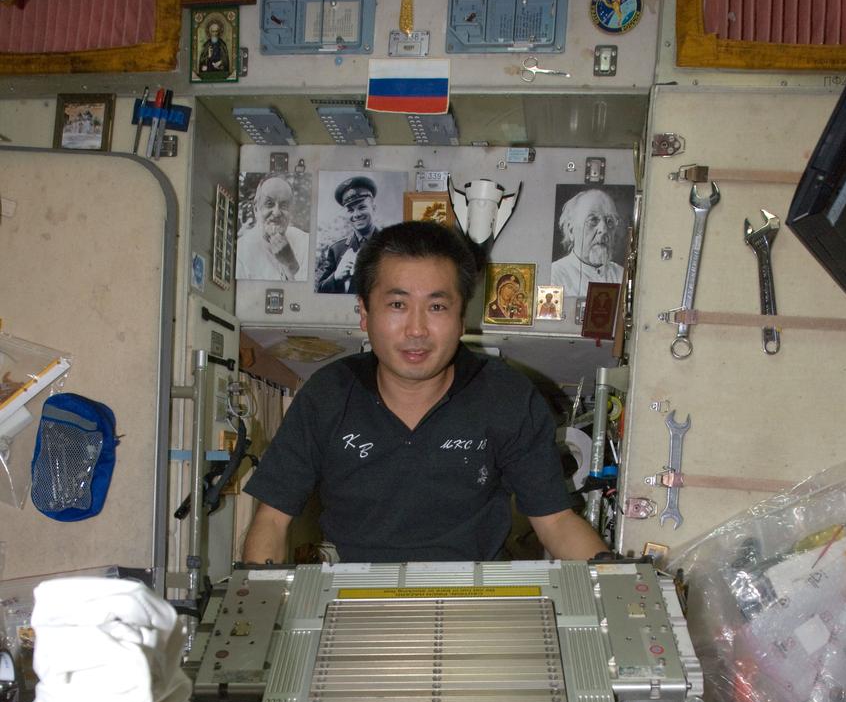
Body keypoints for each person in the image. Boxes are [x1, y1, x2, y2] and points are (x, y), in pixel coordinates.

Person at [242, 221, 605, 565]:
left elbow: (556, 522)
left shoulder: (507, 396)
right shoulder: (329, 395)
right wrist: (254, 610)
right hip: (356, 597)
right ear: (365, 313)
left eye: (436, 307)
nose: (416, 330)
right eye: (397, 305)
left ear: (462, 318)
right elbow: (272, 519)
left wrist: (616, 582)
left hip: (477, 598)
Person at [550, 188, 623, 298]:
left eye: (610, 221)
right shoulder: (554, 275)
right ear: (571, 230)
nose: (603, 229)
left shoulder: (621, 274)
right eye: (593, 220)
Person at [236, 174, 309, 282]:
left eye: (284, 205)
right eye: (269, 204)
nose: (276, 213)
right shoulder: (241, 251)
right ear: (256, 209)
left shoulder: (305, 242)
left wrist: (291, 263)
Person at [315, 176, 380, 294]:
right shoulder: (336, 249)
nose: (356, 214)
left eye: (362, 207)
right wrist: (335, 277)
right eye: (350, 210)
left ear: (374, 208)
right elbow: (320, 290)